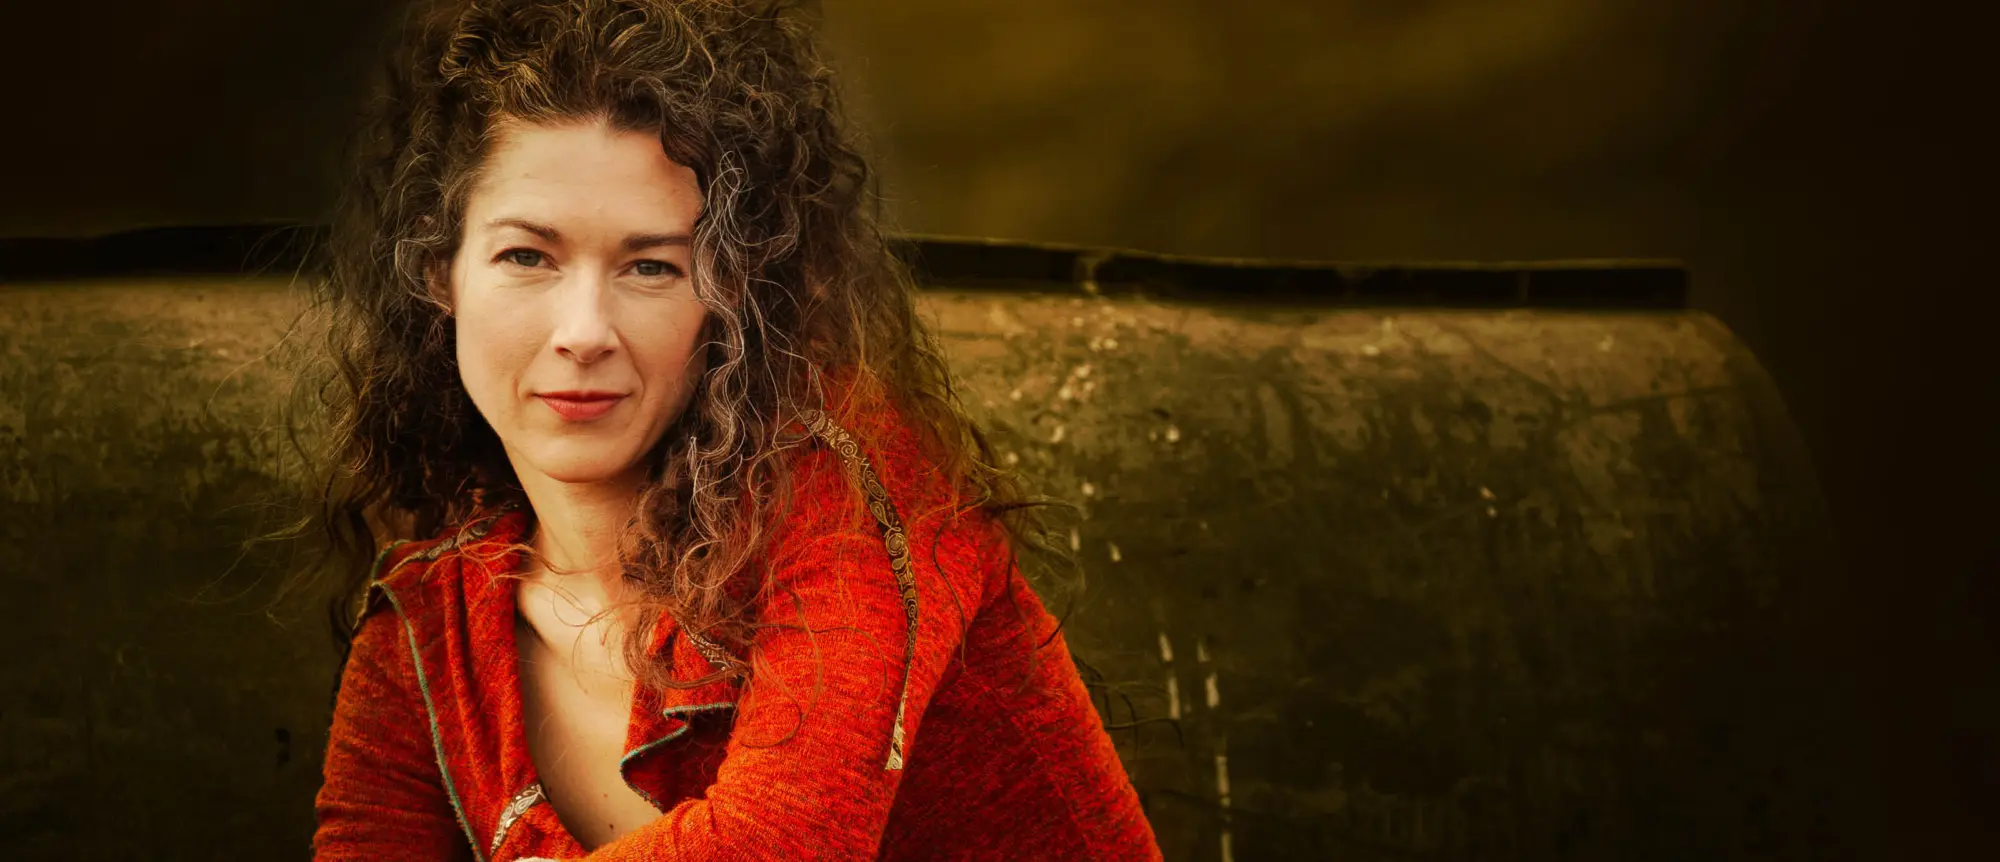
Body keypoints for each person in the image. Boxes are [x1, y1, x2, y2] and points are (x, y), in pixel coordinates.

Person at [293, 0, 1163, 859]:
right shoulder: (429, 629)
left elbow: (778, 846)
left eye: (652, 267)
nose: (584, 332)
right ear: (438, 270)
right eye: (527, 256)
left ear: (732, 294)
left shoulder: (845, 497)